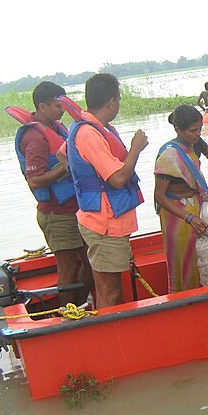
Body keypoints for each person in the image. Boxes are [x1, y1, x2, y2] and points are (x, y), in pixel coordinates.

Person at [64, 74, 148, 309]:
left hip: (106, 219)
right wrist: (136, 149)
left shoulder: (94, 127)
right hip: (104, 223)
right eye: (118, 100)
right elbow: (119, 179)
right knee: (109, 289)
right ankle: (111, 336)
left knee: (107, 285)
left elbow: (63, 154)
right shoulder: (90, 134)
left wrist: (84, 176)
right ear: (112, 102)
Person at [15, 81, 92, 306]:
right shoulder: (34, 137)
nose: (62, 110)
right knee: (68, 267)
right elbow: (35, 180)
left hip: (73, 209)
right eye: (58, 106)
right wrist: (65, 167)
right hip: (57, 214)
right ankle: (70, 313)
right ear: (43, 106)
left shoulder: (57, 128)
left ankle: (78, 306)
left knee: (89, 261)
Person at [154, 105, 208, 293]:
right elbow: (160, 196)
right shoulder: (169, 155)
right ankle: (182, 299)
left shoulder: (195, 142)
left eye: (199, 129)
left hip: (194, 206)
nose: (198, 134)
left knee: (199, 259)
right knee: (182, 262)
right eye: (192, 131)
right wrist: (188, 218)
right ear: (178, 130)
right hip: (177, 214)